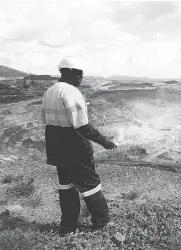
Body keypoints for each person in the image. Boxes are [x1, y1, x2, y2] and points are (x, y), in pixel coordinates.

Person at [40, 57, 117, 236]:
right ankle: (101, 222)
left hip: (56, 146)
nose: (81, 79)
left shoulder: (49, 91)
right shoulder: (71, 92)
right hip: (74, 146)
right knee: (90, 184)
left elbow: (44, 120)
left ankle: (67, 227)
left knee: (66, 187)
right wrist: (103, 140)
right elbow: (82, 126)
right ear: (69, 72)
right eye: (79, 75)